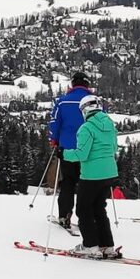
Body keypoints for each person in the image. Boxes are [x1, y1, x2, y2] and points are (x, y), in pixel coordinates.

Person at [63, 95, 120, 258]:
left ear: (84, 110)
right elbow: (114, 148)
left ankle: (90, 245)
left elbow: (82, 154)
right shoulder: (110, 125)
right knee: (99, 209)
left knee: (83, 209)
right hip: (109, 173)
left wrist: (63, 153)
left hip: (91, 175)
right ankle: (107, 245)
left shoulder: (86, 128)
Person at [47, 71, 92, 228]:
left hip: (67, 149)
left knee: (68, 182)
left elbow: (55, 123)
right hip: (89, 150)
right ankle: (87, 216)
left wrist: (54, 140)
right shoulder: (94, 102)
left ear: (72, 84)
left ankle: (64, 214)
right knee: (87, 183)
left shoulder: (62, 102)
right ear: (87, 84)